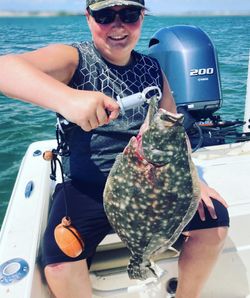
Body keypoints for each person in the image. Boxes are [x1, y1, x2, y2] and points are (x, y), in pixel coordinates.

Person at [0, 0, 229, 297]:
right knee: (59, 262)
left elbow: (172, 129)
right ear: (88, 17)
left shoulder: (152, 68)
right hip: (86, 186)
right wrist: (67, 99)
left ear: (142, 17)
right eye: (105, 15)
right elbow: (5, 69)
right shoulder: (74, 59)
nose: (118, 25)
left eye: (130, 14)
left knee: (215, 220)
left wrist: (195, 182)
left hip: (153, 183)